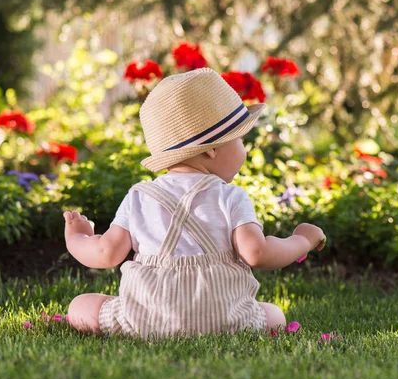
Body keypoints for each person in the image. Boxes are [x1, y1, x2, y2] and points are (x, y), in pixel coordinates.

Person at [63, 67, 326, 339]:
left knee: (80, 305)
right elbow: (258, 253)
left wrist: (77, 237)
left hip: (146, 321)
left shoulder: (139, 197)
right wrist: (302, 240)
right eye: (239, 140)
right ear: (212, 149)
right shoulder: (231, 197)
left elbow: (105, 253)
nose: (244, 150)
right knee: (274, 315)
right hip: (226, 321)